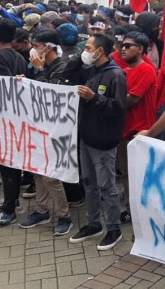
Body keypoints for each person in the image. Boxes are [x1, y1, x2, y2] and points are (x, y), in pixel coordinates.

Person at [64, 33, 126, 250]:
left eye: (89, 47)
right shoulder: (92, 70)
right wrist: (75, 58)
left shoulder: (116, 75)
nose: (85, 51)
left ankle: (114, 228)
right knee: (88, 183)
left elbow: (118, 108)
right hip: (86, 137)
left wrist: (94, 98)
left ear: (100, 51)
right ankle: (93, 224)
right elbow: (67, 74)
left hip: (104, 140)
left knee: (106, 186)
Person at [17, 30, 73, 236]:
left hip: (56, 130)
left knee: (51, 176)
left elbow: (51, 96)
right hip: (38, 127)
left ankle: (64, 216)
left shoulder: (63, 67)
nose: (33, 49)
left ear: (48, 47)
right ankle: (42, 211)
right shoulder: (44, 67)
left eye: (36, 45)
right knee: (37, 171)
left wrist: (39, 72)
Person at [0, 19, 28, 228]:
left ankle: (9, 209)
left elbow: (2, 88)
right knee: (12, 164)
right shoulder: (20, 56)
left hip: (4, 119)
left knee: (7, 165)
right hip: (18, 117)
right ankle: (12, 201)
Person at [117, 31, 157, 222]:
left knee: (139, 173)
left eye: (128, 46)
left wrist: (103, 101)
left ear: (140, 50)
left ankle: (142, 209)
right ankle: (129, 207)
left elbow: (132, 99)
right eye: (122, 45)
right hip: (124, 129)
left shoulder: (147, 70)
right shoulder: (123, 70)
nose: (123, 49)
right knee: (126, 172)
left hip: (139, 130)